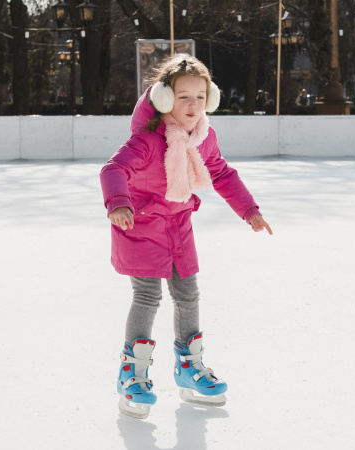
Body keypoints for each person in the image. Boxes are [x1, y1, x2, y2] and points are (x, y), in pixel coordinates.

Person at [100, 53, 272, 419]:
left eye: (200, 96)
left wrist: (249, 210)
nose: (193, 105)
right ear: (163, 99)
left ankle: (189, 368)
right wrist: (118, 202)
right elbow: (113, 168)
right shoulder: (147, 140)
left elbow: (222, 174)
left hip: (178, 227)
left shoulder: (202, 138)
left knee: (188, 293)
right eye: (182, 97)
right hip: (140, 226)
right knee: (147, 296)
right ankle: (132, 374)